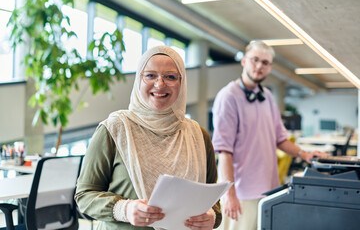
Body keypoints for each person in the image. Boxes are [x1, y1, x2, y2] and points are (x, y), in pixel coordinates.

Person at [75, 46, 222, 230]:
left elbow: (213, 202)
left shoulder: (198, 136)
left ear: (181, 83)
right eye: (150, 75)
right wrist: (125, 209)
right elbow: (84, 195)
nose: (160, 84)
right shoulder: (114, 129)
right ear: (139, 80)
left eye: (170, 77)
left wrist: (212, 217)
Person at [211, 41, 327, 230]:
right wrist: (229, 194)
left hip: (268, 189)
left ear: (270, 67)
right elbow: (224, 151)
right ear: (244, 61)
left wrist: (304, 154)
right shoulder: (228, 96)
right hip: (241, 193)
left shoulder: (267, 96)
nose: (259, 66)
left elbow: (280, 138)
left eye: (265, 63)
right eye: (255, 60)